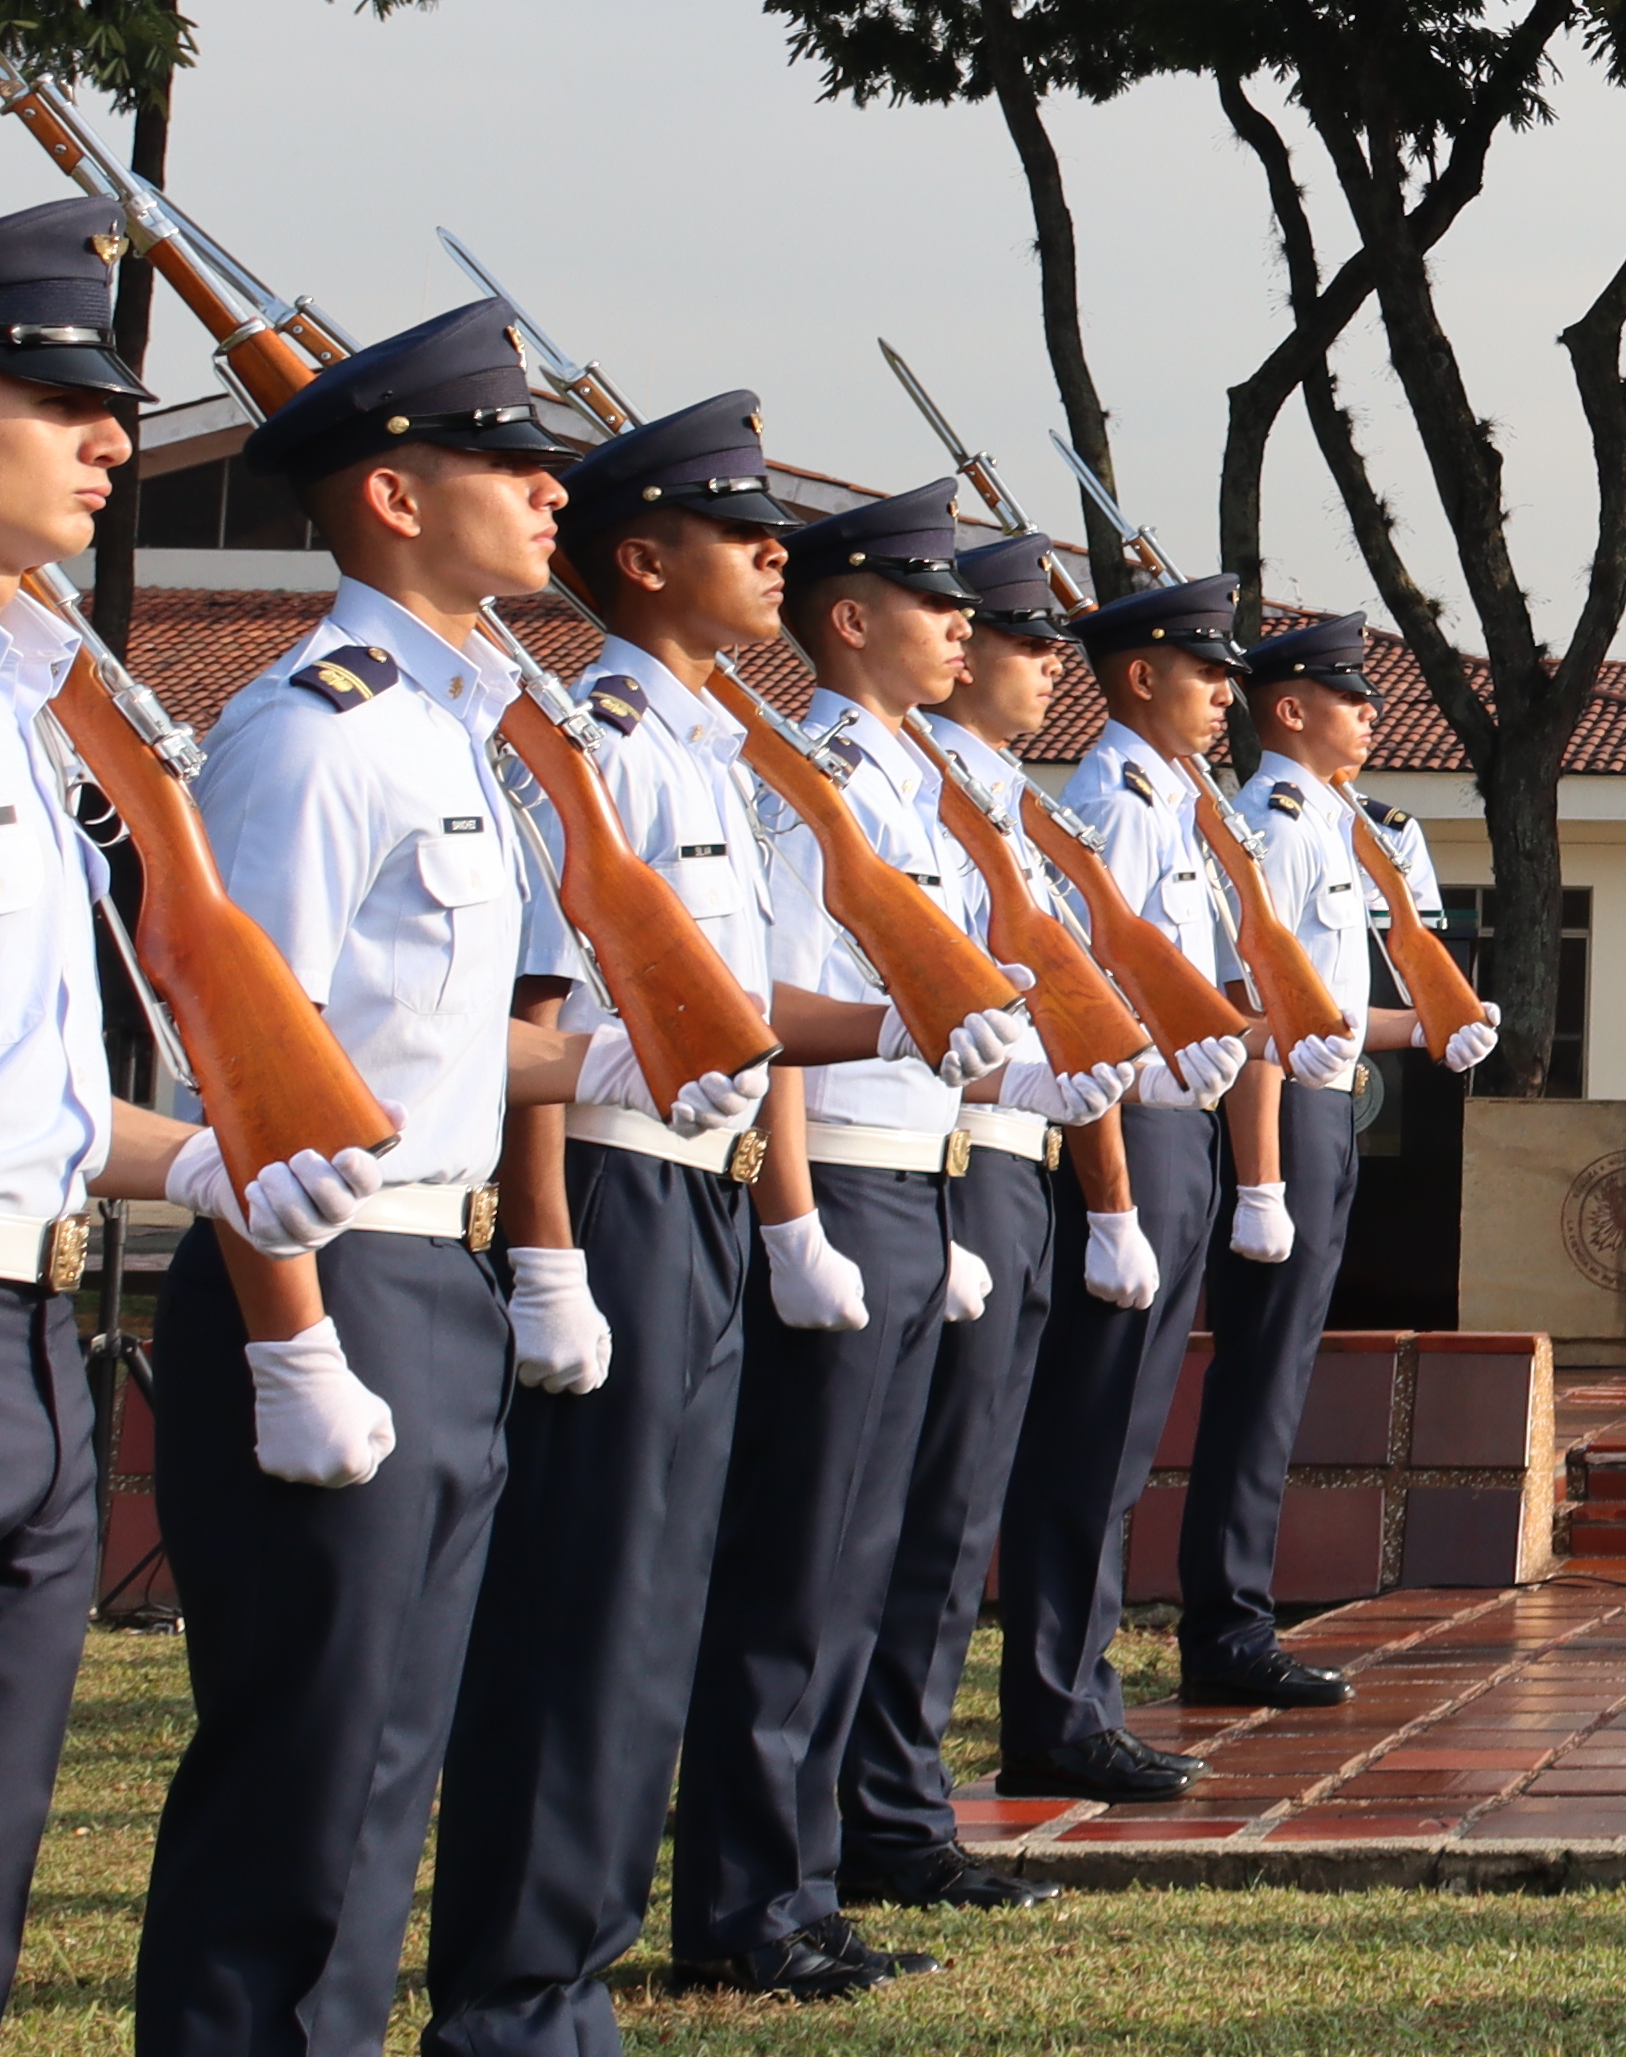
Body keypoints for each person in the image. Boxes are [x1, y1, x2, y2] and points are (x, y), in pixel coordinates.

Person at [0, 206, 377, 2057]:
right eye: (59, 398)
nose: (114, 439)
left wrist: (184, 1159)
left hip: (24, 1337)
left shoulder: (5, 709)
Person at [141, 300, 603, 2057]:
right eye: (507, 457)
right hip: (332, 1283)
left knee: (380, 1781)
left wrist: (643, 1063)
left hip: (440, 1275)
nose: (548, 487)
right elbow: (240, 1075)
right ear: (396, 498)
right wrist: (289, 1344)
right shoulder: (316, 733)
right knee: (300, 1790)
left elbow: (418, 1047)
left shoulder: (442, 730)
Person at [419, 388, 796, 2057]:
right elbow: (541, 1014)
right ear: (642, 561)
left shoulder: (704, 751)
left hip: (695, 1200)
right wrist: (553, 1250)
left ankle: (572, 1981)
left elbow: (730, 1006)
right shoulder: (603, 753)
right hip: (619, 1201)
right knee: (582, 1616)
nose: (774, 553)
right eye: (740, 530)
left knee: (651, 1612)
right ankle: (515, 1993)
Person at [670, 482, 1032, 1999]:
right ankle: (750, 1900)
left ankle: (810, 1880)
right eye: (934, 599)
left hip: (913, 1185)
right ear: (848, 618)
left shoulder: (907, 778)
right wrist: (798, 1218)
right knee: (797, 1573)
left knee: (866, 1560)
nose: (966, 625)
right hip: (843, 1194)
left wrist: (943, 1194)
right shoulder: (813, 776)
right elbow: (776, 1030)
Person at [824, 534, 1147, 1920]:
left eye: (1003, 632)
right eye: (1010, 636)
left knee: (949, 1523)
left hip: (985, 1160)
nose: (1012, 657)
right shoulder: (877, 782)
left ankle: (892, 1806)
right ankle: (872, 1813)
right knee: (887, 1530)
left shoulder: (992, 800)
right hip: (925, 1170)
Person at [1180, 610, 1490, 1707]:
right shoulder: (1278, 822)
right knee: (1259, 1378)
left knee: (1284, 1376)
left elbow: (1333, 1015)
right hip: (1286, 1123)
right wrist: (1258, 1181)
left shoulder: (1342, 822)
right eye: (1350, 695)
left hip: (1326, 1110)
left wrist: (1434, 1028)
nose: (1372, 711)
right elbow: (1252, 1010)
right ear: (1292, 709)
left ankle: (1241, 1607)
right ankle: (1226, 1625)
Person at [991, 570, 1264, 1803]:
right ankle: (1057, 1707)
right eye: (1206, 671)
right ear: (1142, 675)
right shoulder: (1117, 798)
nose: (1224, 695)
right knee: (1090, 1437)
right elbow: (1093, 987)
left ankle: (1082, 1692)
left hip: (1178, 1129)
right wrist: (1114, 1188)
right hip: (1133, 1132)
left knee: (1125, 1440)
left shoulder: (1178, 797)